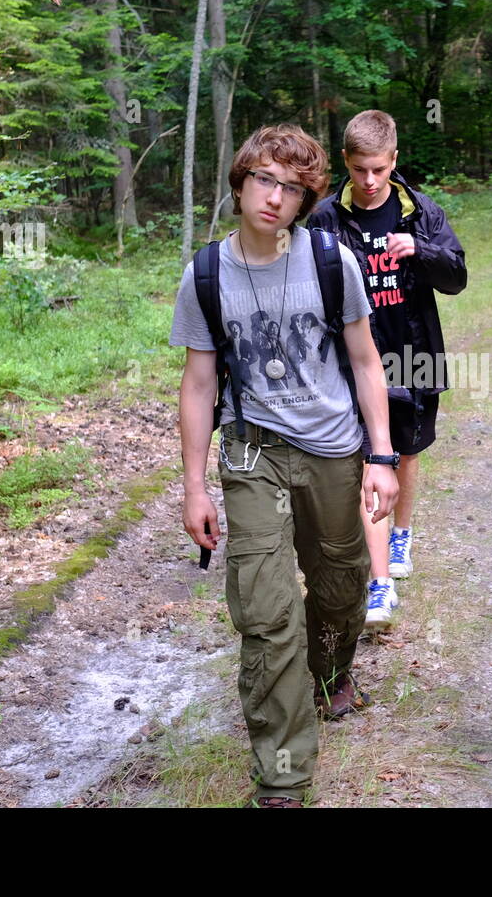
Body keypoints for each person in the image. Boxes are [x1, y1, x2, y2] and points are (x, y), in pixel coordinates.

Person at [171, 124, 400, 807]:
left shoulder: (332, 263)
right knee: (267, 612)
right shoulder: (206, 274)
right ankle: (282, 773)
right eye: (265, 181)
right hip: (252, 452)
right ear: (241, 182)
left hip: (333, 447)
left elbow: (365, 363)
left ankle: (331, 674)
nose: (275, 198)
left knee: (339, 588)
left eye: (293, 189)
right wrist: (193, 487)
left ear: (306, 201)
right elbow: (199, 385)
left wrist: (381, 456)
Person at [309, 110, 467, 629]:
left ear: (394, 160)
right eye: (358, 170)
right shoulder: (327, 220)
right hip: (354, 357)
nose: (370, 181)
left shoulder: (421, 212)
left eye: (378, 169)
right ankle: (378, 578)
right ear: (345, 164)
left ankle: (402, 535)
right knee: (365, 457)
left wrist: (420, 250)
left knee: (406, 451)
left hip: (413, 348)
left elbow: (457, 277)